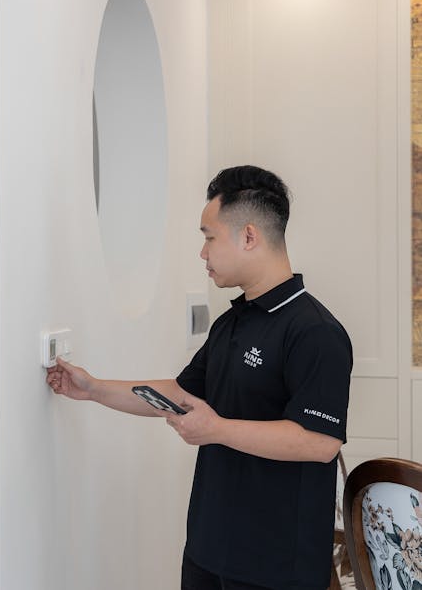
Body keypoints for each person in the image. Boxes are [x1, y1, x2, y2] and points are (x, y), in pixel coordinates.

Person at [47, 165, 352, 590]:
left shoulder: (315, 331)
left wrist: (217, 429)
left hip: (277, 565)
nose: (202, 253)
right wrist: (94, 389)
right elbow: (180, 393)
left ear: (249, 236)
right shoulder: (232, 322)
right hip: (208, 552)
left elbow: (319, 442)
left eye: (209, 238)